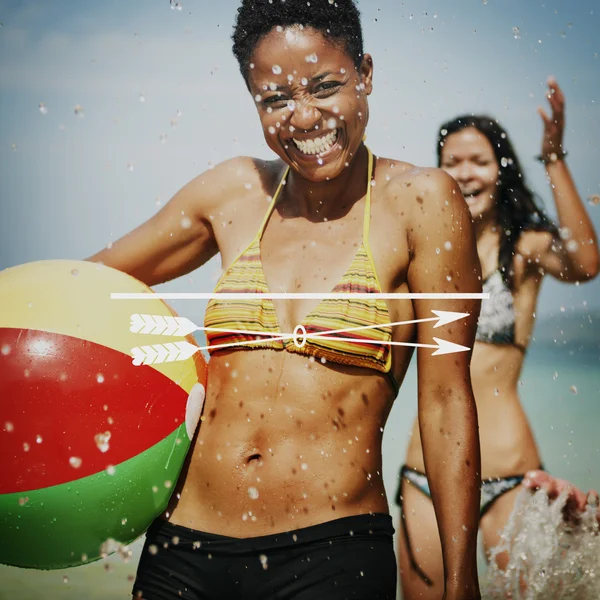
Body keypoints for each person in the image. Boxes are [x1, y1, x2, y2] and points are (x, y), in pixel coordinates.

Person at [86, 2, 484, 599]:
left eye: (326, 88)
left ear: (366, 74)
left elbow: (447, 396)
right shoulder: (234, 190)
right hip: (182, 548)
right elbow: (82, 286)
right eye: (274, 99)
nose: (303, 116)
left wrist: (461, 580)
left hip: (332, 552)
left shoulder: (422, 202)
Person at [396, 78, 600, 600]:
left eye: (479, 161)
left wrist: (553, 157)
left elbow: (586, 261)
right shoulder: (421, 252)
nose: (466, 172)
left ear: (501, 168)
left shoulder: (525, 249)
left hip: (511, 473)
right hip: (426, 473)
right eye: (453, 161)